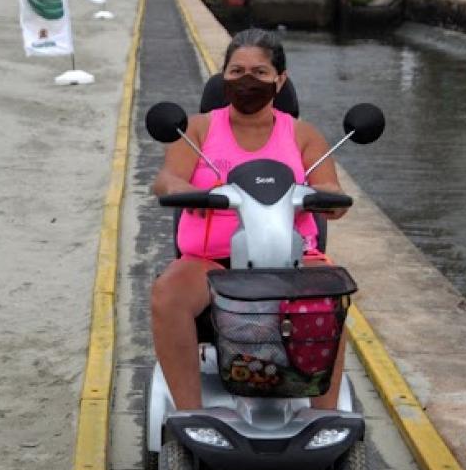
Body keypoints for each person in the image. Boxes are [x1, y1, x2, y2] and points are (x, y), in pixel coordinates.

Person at [150, 29, 350, 412]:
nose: (247, 80)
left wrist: (326, 201)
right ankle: (190, 415)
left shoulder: (304, 135)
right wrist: (186, 190)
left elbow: (331, 189)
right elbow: (166, 179)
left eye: (259, 72)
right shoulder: (197, 130)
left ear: (280, 79)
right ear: (222, 76)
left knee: (330, 294)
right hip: (211, 263)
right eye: (236, 70)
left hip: (292, 260)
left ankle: (326, 418)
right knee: (167, 294)